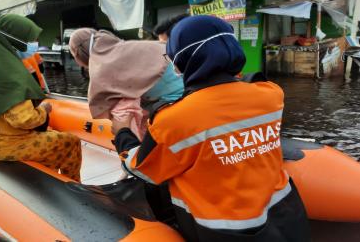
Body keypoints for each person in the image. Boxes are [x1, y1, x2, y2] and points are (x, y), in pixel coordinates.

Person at [111, 16, 310, 242]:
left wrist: (122, 133)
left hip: (226, 234)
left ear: (183, 59)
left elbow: (141, 168)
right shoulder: (270, 93)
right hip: (287, 217)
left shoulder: (174, 120)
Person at [0, 14, 81, 181]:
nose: (35, 45)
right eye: (30, 40)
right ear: (14, 40)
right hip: (1, 143)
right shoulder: (5, 72)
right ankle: (75, 188)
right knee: (71, 142)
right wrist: (43, 111)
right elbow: (24, 120)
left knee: (47, 135)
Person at [69, 28, 184, 139]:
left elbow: (124, 112)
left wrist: (123, 136)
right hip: (193, 92)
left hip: (174, 108)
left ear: (80, 56)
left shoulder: (104, 69)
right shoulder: (129, 46)